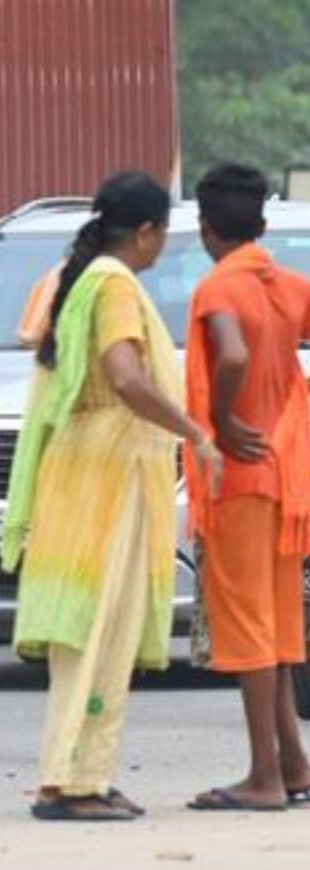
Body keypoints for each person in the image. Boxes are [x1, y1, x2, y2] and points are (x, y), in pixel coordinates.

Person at [2, 171, 222, 821]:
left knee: (89, 635)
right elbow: (126, 377)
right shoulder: (116, 285)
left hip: (84, 475)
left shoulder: (86, 279)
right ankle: (71, 783)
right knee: (102, 630)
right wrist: (192, 432)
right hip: (108, 480)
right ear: (147, 232)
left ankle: (79, 775)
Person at [184, 163, 310, 811]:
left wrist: (226, 417)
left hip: (237, 473)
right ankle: (293, 764)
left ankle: (263, 776)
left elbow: (230, 354)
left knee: (248, 628)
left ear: (206, 228)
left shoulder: (218, 288)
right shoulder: (288, 285)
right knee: (278, 624)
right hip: (286, 480)